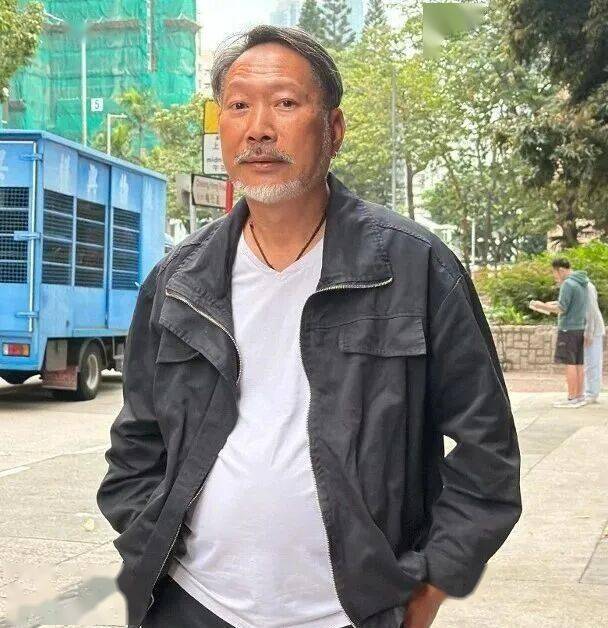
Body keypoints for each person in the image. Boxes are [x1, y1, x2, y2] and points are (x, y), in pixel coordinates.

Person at [97, 26, 521, 628]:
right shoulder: (179, 279)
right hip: (193, 604)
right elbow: (136, 442)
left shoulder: (415, 268)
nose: (258, 128)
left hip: (350, 614)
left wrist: (429, 586)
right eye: (238, 105)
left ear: (334, 129)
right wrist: (150, 543)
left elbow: (488, 455)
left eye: (286, 103)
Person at [530, 258, 589, 408]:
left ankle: (572, 397)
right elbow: (570, 304)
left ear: (561, 270)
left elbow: (561, 308)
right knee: (579, 363)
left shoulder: (567, 284)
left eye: (554, 273)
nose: (554, 276)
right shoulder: (582, 283)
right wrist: (550, 304)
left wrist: (541, 306)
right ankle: (579, 396)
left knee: (570, 363)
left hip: (567, 328)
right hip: (579, 328)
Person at [584, 279, 605, 403]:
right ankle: (589, 391)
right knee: (588, 362)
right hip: (588, 329)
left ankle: (592, 393)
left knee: (593, 362)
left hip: (594, 330)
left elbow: (591, 310)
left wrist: (589, 332)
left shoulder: (587, 287)